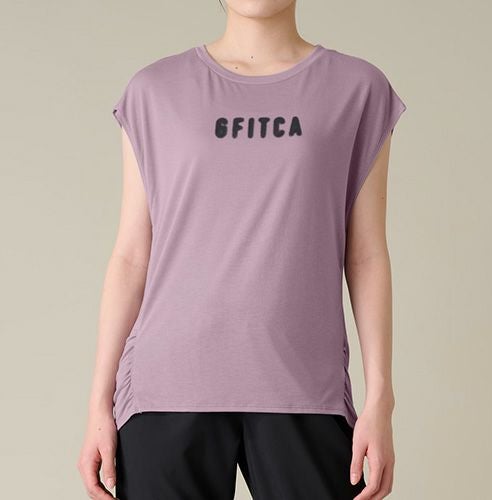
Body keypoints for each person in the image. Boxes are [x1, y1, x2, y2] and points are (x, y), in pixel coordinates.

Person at [77, 1, 407, 499]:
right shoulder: (154, 91)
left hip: (303, 385)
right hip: (166, 386)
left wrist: (381, 399)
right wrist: (98, 404)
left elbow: (366, 255)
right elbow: (131, 256)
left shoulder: (357, 89)